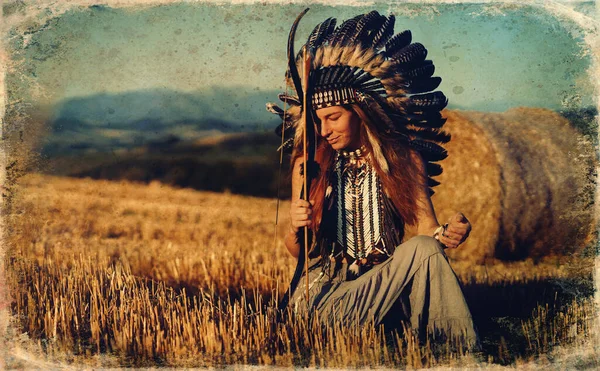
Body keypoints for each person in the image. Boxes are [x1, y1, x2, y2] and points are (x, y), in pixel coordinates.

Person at [267, 10, 478, 348]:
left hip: (385, 286)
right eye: (318, 120)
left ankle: (453, 347)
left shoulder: (403, 159)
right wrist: (295, 227)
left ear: (360, 110)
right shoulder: (309, 166)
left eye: (334, 117)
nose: (324, 130)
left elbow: (427, 230)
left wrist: (449, 233)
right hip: (327, 298)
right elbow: (298, 255)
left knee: (424, 247)